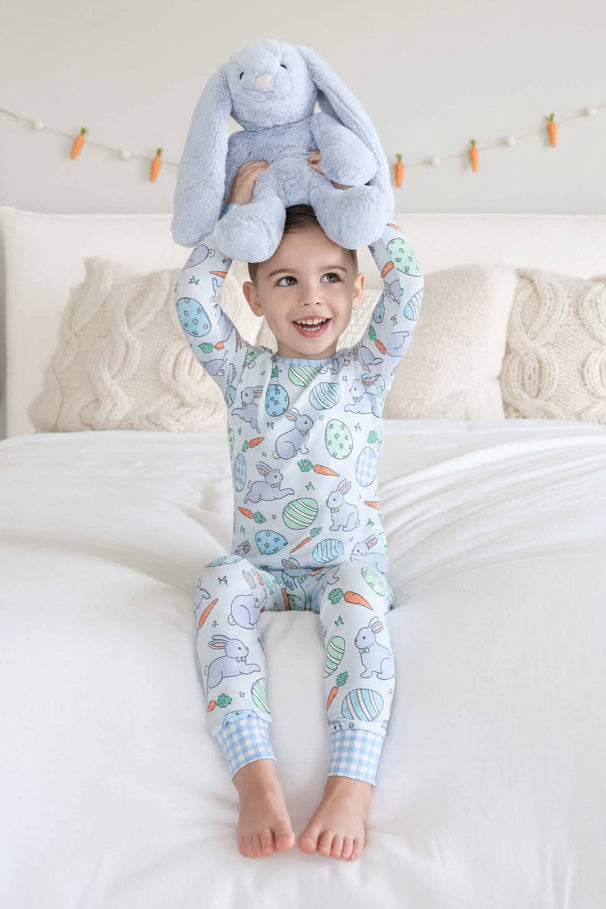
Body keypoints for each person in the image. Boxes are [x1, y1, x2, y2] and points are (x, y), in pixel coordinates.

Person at [174, 153, 423, 861]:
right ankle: (256, 776)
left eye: (332, 278)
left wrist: (355, 202)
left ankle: (352, 781)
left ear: (354, 289)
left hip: (347, 560)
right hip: (263, 565)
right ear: (254, 297)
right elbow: (193, 298)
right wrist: (236, 220)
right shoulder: (241, 368)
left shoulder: (366, 369)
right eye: (285, 279)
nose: (311, 298)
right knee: (215, 584)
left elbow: (408, 285)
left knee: (359, 610)